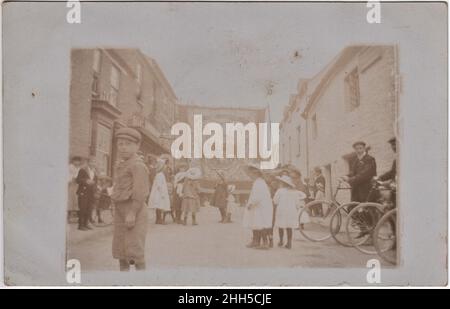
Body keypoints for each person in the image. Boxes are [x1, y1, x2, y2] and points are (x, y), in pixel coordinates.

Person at [111, 127, 150, 271]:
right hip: (121, 210)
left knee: (134, 251)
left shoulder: (138, 165)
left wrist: (132, 213)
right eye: (120, 144)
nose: (123, 147)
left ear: (137, 146)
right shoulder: (122, 164)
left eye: (128, 144)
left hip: (134, 210)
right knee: (121, 250)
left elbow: (140, 192)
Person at [242, 163, 273, 250]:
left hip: (261, 207)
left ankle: (265, 242)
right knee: (255, 223)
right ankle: (256, 241)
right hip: (258, 206)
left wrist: (251, 204)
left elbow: (257, 196)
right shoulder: (258, 182)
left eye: (251, 174)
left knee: (261, 224)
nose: (250, 176)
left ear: (256, 174)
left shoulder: (259, 183)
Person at [273, 175, 307, 249]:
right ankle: (289, 243)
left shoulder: (279, 191)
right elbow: (297, 204)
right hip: (291, 211)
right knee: (289, 227)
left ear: (282, 183)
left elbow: (275, 201)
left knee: (281, 226)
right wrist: (296, 208)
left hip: (282, 210)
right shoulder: (294, 192)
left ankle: (281, 241)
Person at [76, 156, 97, 231]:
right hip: (83, 192)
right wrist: (86, 181)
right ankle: (80, 225)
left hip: (91, 192)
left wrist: (95, 188)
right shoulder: (83, 170)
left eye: (94, 162)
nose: (93, 163)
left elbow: (95, 182)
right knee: (83, 208)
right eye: (92, 162)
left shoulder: (94, 171)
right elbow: (78, 180)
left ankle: (86, 224)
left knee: (89, 209)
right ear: (88, 163)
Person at [148, 159, 171, 224]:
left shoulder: (159, 174)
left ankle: (158, 219)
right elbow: (159, 185)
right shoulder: (160, 175)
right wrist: (162, 193)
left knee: (159, 206)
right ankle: (159, 219)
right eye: (164, 167)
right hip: (159, 193)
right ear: (162, 167)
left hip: (159, 192)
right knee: (159, 205)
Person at [68, 156, 82, 222]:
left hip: (77, 185)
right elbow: (69, 175)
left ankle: (76, 216)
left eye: (78, 161)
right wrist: (72, 178)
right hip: (71, 184)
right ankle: (69, 216)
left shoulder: (79, 168)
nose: (77, 162)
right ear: (73, 161)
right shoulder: (70, 167)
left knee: (76, 199)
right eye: (75, 161)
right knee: (70, 199)